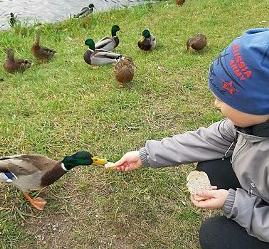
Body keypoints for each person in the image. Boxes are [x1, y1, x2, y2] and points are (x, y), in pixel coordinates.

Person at [113, 28, 269, 249]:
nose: (216, 104)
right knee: (211, 168)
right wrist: (145, 156)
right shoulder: (246, 124)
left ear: (259, 104)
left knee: (215, 236)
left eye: (225, 99)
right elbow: (204, 140)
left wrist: (234, 203)